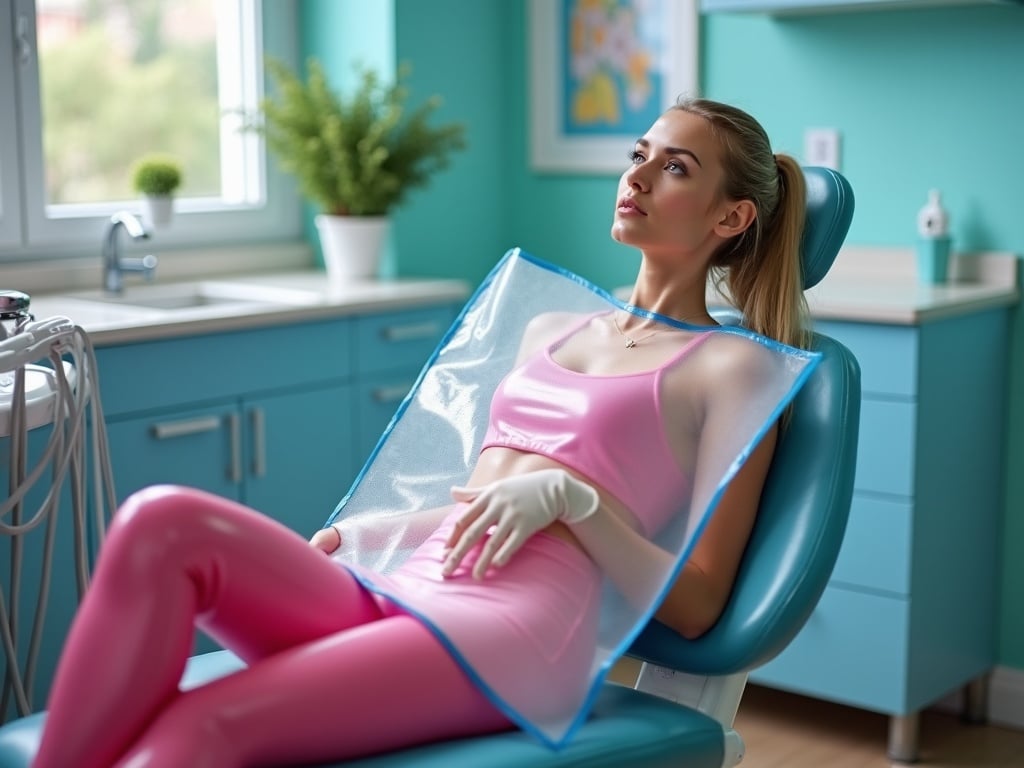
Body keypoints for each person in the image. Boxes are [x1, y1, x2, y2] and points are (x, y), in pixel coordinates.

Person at [32, 97, 809, 768]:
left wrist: (575, 498)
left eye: (674, 168)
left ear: (731, 216)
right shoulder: (550, 323)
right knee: (161, 521)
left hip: (516, 631)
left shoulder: (732, 368)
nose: (635, 177)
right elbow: (493, 506)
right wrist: (386, 529)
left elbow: (700, 604)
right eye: (638, 155)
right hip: (413, 583)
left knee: (203, 725)